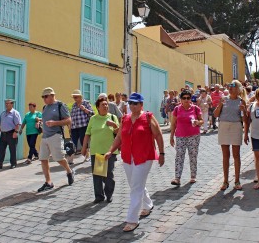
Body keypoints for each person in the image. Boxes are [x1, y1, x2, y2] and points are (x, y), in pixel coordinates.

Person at [105, 93, 164, 232]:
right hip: (127, 157)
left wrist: (161, 153)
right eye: (130, 103)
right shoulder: (125, 118)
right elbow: (119, 136)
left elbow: (158, 135)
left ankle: (132, 220)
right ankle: (148, 205)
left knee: (136, 187)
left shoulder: (148, 117)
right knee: (135, 184)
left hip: (144, 157)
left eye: (135, 103)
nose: (132, 105)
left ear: (141, 105)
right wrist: (110, 150)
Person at [81, 97, 119, 203]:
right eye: (103, 104)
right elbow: (87, 134)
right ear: (98, 107)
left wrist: (114, 125)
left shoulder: (112, 117)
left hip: (109, 151)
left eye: (106, 104)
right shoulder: (93, 119)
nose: (106, 106)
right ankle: (99, 196)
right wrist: (84, 148)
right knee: (98, 175)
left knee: (108, 174)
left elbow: (119, 133)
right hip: (96, 150)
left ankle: (109, 194)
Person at [37, 87, 74, 192]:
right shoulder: (45, 107)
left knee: (59, 158)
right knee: (43, 159)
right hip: (45, 136)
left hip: (56, 135)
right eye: (43, 97)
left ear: (52, 95)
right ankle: (48, 182)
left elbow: (68, 120)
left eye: (46, 96)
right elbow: (45, 120)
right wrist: (39, 123)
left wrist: (55, 123)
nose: (44, 98)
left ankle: (69, 171)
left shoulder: (60, 105)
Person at [214, 80, 247, 190]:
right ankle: (225, 181)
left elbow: (245, 119)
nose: (231, 87)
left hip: (236, 126)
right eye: (230, 86)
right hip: (224, 126)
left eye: (233, 86)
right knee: (225, 156)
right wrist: (219, 105)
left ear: (238, 89)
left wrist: (244, 111)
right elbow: (215, 114)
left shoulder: (241, 101)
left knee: (236, 155)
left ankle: (237, 180)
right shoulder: (224, 99)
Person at [170, 90, 203, 186]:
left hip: (194, 136)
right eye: (184, 98)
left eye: (188, 98)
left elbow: (201, 121)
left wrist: (197, 122)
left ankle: (193, 176)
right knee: (179, 156)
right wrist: (171, 137)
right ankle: (177, 178)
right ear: (181, 99)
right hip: (180, 136)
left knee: (193, 156)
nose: (186, 100)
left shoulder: (195, 108)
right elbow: (173, 124)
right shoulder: (177, 109)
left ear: (190, 99)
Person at [0, 99, 21, 169]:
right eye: (6, 103)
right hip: (3, 134)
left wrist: (16, 132)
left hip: (11, 133)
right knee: (1, 149)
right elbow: (0, 123)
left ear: (12, 104)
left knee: (12, 149)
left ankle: (13, 163)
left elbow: (18, 124)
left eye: (8, 103)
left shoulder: (15, 113)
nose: (6, 105)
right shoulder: (3, 113)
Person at [70, 90, 94, 159]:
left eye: (76, 97)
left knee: (83, 141)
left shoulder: (86, 103)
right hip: (74, 127)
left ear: (80, 97)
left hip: (83, 125)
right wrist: (70, 126)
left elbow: (92, 113)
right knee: (73, 142)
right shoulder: (74, 105)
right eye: (74, 97)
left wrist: (85, 109)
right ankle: (72, 156)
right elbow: (72, 116)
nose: (75, 99)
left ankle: (87, 154)